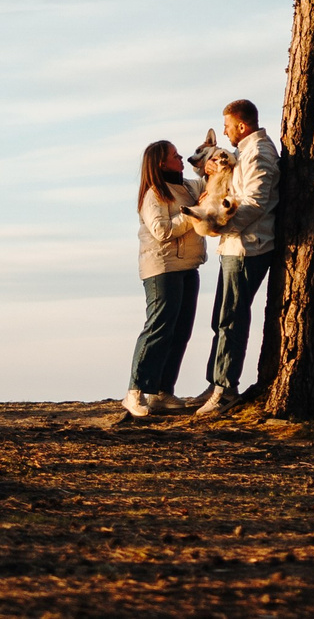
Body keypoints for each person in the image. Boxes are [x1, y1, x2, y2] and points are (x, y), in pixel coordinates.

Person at [194, 98, 276, 416]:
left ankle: (226, 389)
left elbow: (254, 202)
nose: (225, 132)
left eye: (227, 126)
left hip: (247, 247)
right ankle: (216, 383)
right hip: (235, 245)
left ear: (242, 125)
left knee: (231, 318)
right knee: (222, 318)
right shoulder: (245, 153)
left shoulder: (260, 153)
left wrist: (219, 225)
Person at [128, 139, 204, 418]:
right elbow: (161, 231)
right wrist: (193, 215)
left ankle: (161, 392)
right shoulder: (153, 194)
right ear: (161, 163)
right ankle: (135, 391)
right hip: (161, 268)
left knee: (180, 331)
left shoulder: (188, 187)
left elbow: (211, 189)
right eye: (175, 155)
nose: (181, 157)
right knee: (158, 328)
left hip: (188, 266)